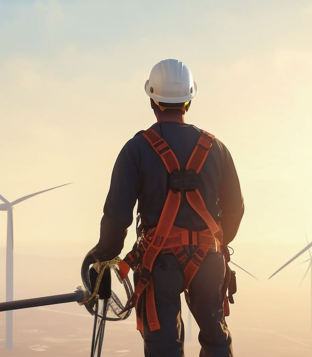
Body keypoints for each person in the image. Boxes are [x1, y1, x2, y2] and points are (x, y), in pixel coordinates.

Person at [88, 59, 244, 357]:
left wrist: (103, 255)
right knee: (216, 340)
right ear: (189, 100)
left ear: (152, 100)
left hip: (159, 265)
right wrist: (215, 244)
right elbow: (235, 209)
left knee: (163, 349)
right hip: (209, 262)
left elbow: (117, 215)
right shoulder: (217, 148)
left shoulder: (136, 149)